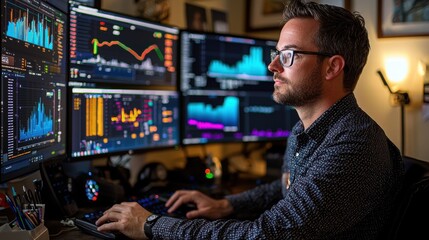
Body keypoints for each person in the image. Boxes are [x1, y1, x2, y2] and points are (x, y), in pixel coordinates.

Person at [96, 1, 404, 239]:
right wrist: (227, 205)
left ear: (332, 67)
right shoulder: (309, 129)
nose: (272, 66)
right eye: (276, 53)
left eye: (289, 55)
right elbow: (289, 188)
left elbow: (264, 234)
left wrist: (151, 225)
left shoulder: (354, 145)